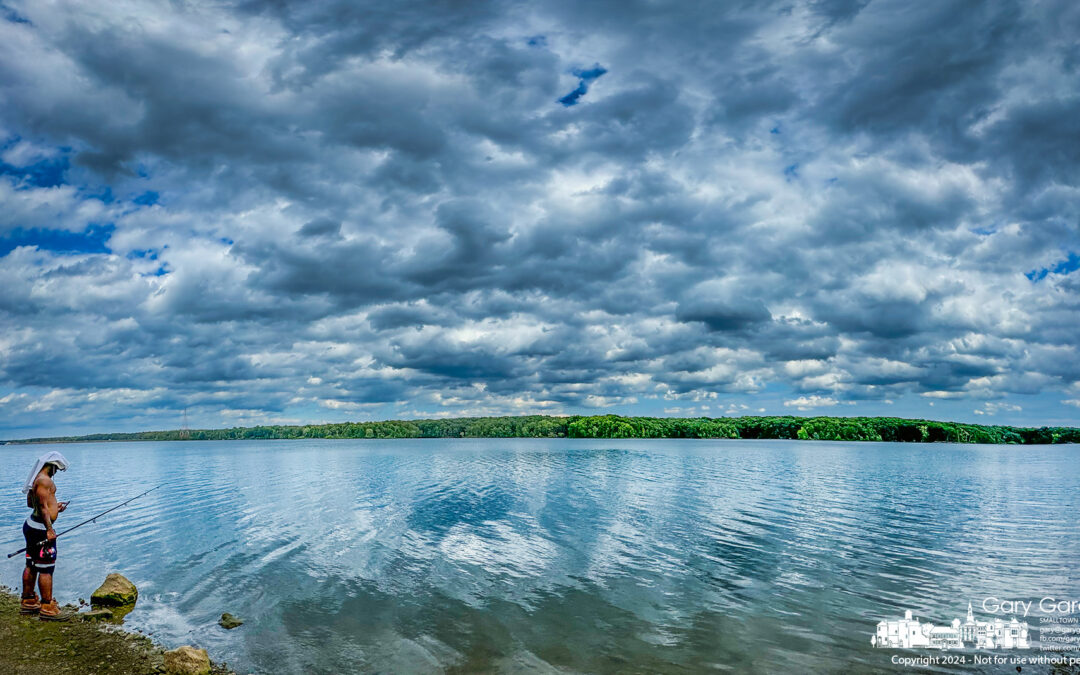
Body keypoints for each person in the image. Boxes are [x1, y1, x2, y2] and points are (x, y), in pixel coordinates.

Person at [20, 451, 71, 620]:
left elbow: (31, 503)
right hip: (40, 529)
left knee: (32, 564)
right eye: (56, 468)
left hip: (32, 526)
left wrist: (56, 506)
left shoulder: (37, 480)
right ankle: (47, 606)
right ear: (51, 466)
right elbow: (42, 507)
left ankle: (28, 600)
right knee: (46, 568)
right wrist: (49, 530)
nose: (56, 472)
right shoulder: (44, 480)